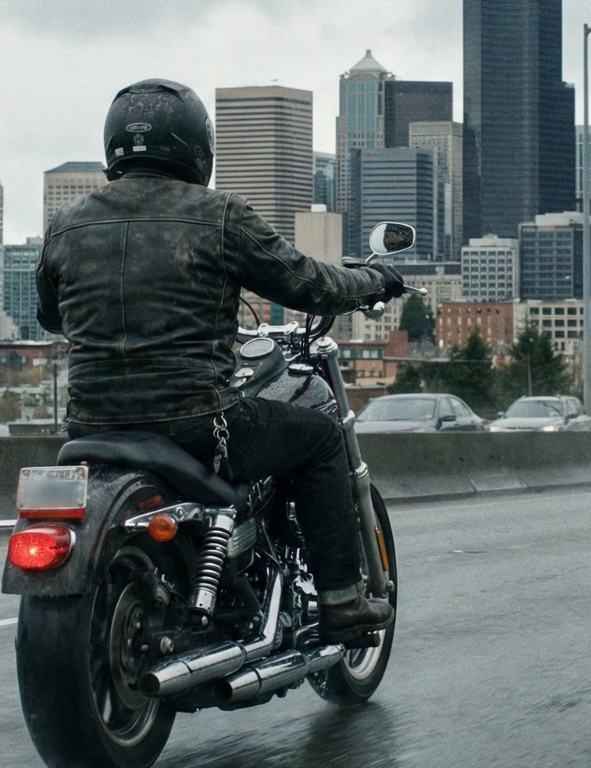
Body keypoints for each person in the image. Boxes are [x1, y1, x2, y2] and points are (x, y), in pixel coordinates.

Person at [35, 78, 402, 640]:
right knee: (322, 437)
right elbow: (309, 283)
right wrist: (373, 279)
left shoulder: (67, 224)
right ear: (195, 146)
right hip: (197, 424)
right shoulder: (218, 215)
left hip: (91, 426)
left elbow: (52, 317)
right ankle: (342, 601)